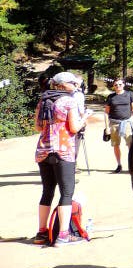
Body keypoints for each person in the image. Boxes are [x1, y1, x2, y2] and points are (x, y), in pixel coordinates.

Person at [32, 71, 88, 246]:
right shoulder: (69, 101)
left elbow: (37, 127)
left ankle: (41, 233)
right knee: (66, 192)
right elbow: (74, 127)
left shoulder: (43, 100)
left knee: (47, 191)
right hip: (63, 151)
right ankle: (63, 235)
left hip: (43, 150)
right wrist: (85, 118)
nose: (76, 85)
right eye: (74, 82)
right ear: (64, 85)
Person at [104, 78, 133, 173]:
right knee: (116, 145)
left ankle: (132, 165)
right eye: (116, 85)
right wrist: (107, 127)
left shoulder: (129, 94)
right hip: (114, 123)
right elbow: (106, 112)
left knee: (130, 144)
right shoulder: (111, 97)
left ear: (123, 85)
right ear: (113, 86)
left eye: (120, 84)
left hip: (126, 123)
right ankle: (119, 165)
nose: (118, 86)